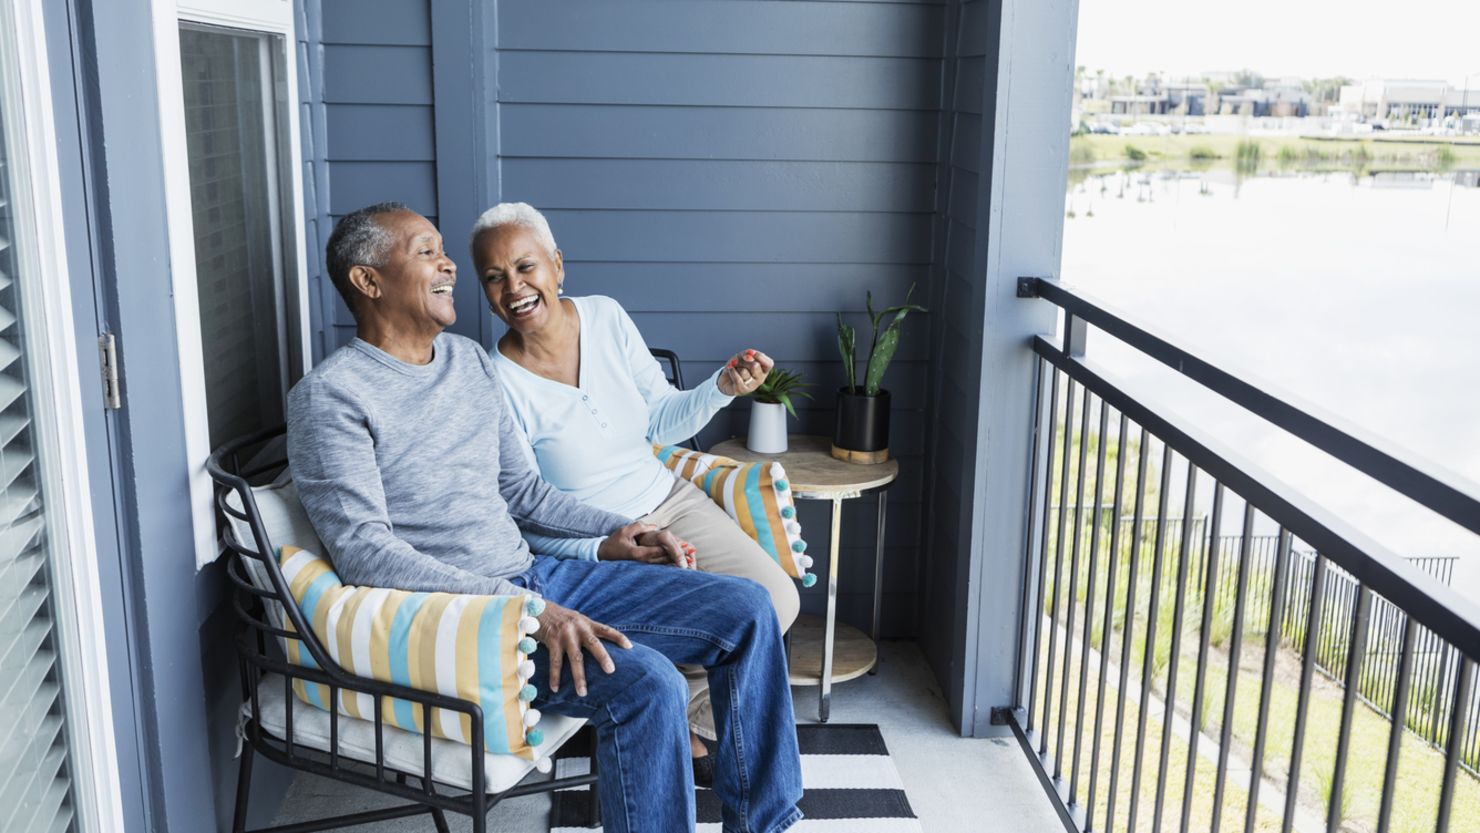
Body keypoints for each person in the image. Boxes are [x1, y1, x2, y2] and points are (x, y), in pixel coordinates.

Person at [286, 202, 803, 833]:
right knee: (650, 686)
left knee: (748, 608)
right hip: (473, 618)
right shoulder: (332, 397)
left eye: (444, 250)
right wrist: (521, 609)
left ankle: (766, 823)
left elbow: (524, 492)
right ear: (369, 282)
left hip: (538, 579)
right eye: (425, 252)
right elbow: (365, 554)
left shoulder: (467, 364)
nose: (449, 263)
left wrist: (612, 530)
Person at [469, 203, 801, 773]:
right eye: (495, 278)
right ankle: (675, 726)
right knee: (702, 630)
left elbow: (659, 422)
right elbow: (524, 513)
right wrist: (606, 545)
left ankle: (685, 716)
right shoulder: (493, 379)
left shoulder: (606, 317)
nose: (514, 288)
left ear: (558, 265)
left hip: (668, 499)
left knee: (777, 600)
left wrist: (720, 388)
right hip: (593, 547)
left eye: (526, 267)